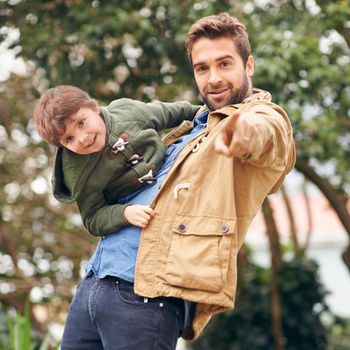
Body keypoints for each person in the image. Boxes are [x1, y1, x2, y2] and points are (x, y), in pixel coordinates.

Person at [60, 13, 296, 350]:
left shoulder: (262, 117)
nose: (213, 78)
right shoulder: (194, 124)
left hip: (145, 297)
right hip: (94, 286)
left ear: (249, 66)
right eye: (202, 68)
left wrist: (244, 132)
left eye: (224, 64)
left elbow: (268, 135)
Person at [33, 85, 200, 235]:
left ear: (94, 108)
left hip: (167, 161)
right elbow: (93, 218)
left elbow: (172, 112)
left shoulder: (126, 112)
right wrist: (124, 214)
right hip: (132, 199)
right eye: (69, 139)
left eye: (81, 123)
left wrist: (207, 111)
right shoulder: (79, 175)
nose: (82, 139)